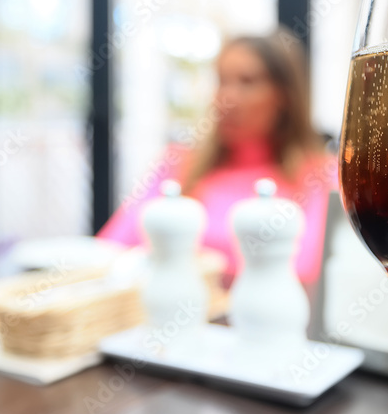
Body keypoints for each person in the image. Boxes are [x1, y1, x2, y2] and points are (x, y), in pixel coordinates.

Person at [98, 28, 335, 286]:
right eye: (222, 81)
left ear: (285, 96)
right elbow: (110, 248)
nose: (226, 98)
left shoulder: (320, 174)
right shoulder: (178, 163)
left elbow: (311, 270)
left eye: (247, 82)